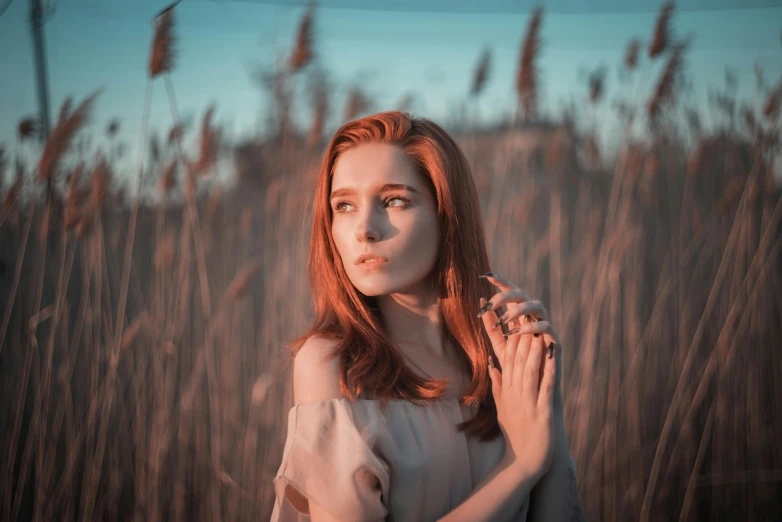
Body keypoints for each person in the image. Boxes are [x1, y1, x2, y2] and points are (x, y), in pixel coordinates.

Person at [270, 111, 586, 521]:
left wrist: (547, 399)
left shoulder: (500, 361)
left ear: (447, 214)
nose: (364, 229)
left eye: (394, 200)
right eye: (344, 205)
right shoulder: (333, 364)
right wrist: (518, 467)